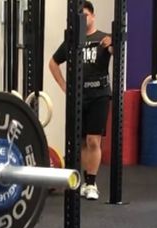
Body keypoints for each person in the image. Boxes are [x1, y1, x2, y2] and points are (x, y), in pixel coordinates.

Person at [48, 0, 113, 201]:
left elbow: (115, 52)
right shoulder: (73, 40)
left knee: (94, 140)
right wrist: (64, 86)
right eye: (80, 17)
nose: (83, 20)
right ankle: (85, 181)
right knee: (82, 141)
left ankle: (92, 184)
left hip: (99, 95)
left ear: (92, 16)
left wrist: (112, 44)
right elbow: (53, 63)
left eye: (86, 15)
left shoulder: (104, 39)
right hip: (79, 97)